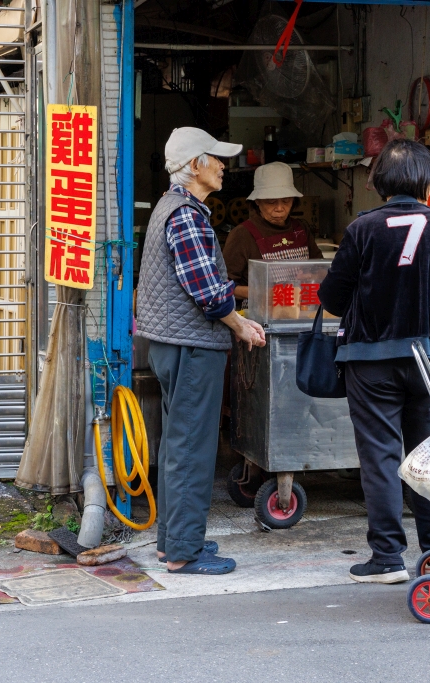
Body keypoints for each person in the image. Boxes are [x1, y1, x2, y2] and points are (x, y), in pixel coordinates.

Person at [318, 138, 430, 584]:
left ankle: (386, 558)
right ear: (428, 182)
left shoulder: (362, 228)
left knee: (379, 456)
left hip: (370, 360)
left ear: (378, 183)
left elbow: (332, 299)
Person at [135, 127, 266, 576]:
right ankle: (184, 553)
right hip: (191, 347)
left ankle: (173, 542)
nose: (224, 166)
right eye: (216, 158)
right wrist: (241, 325)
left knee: (179, 446)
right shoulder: (186, 215)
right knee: (192, 449)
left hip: (172, 344)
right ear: (195, 165)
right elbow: (208, 293)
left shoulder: (168, 206)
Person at [223, 161, 323, 301]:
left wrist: (311, 276)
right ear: (257, 201)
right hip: (259, 311)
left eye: (286, 201)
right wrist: (263, 293)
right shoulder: (242, 234)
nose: (279, 208)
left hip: (301, 308)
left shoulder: (300, 229)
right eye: (271, 201)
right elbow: (225, 287)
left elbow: (321, 269)